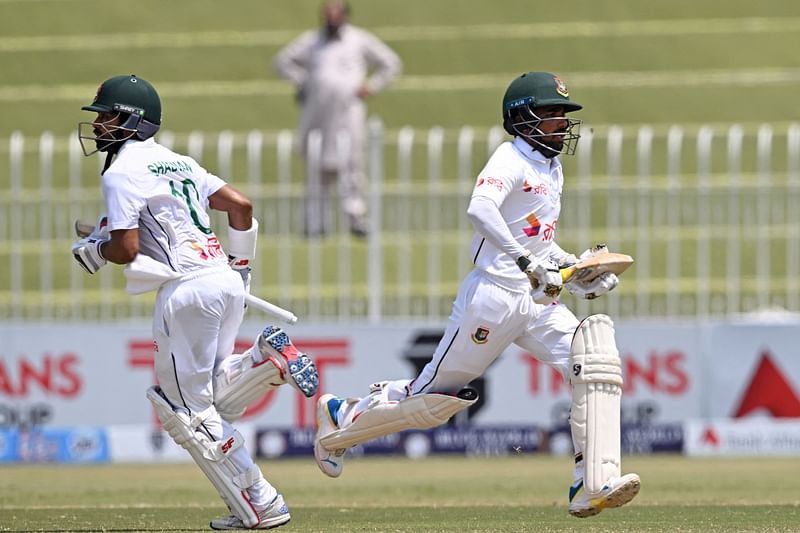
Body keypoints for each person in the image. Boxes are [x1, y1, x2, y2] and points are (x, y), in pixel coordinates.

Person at [311, 72, 641, 518]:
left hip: (538, 303)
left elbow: (541, 244)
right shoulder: (509, 158)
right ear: (522, 119)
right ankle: (340, 418)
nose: (562, 124)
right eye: (551, 115)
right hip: (495, 297)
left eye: (564, 115)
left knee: (594, 357)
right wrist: (526, 263)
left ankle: (591, 481)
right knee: (432, 401)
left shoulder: (551, 167)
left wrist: (579, 270)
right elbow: (480, 209)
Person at [72, 74, 320, 530]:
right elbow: (242, 207)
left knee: (184, 412)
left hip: (186, 291)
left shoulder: (122, 170)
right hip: (225, 281)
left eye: (107, 115)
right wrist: (240, 269)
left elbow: (127, 250)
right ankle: (264, 364)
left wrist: (96, 250)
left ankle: (263, 501)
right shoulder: (179, 163)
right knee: (213, 400)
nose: (99, 124)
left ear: (131, 120)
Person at [273, 0, 402, 237]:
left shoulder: (358, 39)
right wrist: (304, 82)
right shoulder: (312, 41)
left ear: (345, 15)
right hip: (317, 112)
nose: (332, 18)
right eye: (328, 13)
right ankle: (315, 223)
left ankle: (355, 218)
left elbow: (391, 63)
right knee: (315, 166)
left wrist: (370, 86)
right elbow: (282, 61)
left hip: (348, 112)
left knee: (351, 164)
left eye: (336, 13)